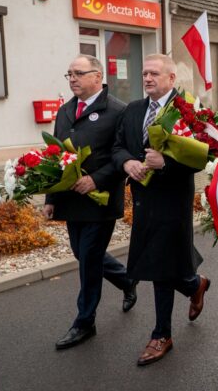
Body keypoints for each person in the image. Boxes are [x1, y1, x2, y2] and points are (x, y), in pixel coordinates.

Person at [112, 54, 211, 366]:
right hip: (143, 200)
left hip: (173, 200)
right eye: (144, 73)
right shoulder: (133, 110)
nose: (147, 78)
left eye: (155, 73)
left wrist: (166, 163)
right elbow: (118, 147)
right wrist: (126, 162)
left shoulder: (188, 111)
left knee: (159, 266)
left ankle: (161, 334)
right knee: (161, 260)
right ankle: (196, 284)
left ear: (172, 79)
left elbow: (204, 155)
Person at [47, 55, 137, 350]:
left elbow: (121, 155)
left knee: (88, 259)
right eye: (68, 74)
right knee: (82, 253)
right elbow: (56, 156)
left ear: (97, 77)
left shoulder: (118, 111)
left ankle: (85, 322)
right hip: (72, 199)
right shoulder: (65, 111)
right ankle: (126, 280)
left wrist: (96, 179)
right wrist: (51, 198)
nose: (72, 78)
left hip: (100, 200)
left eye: (78, 73)